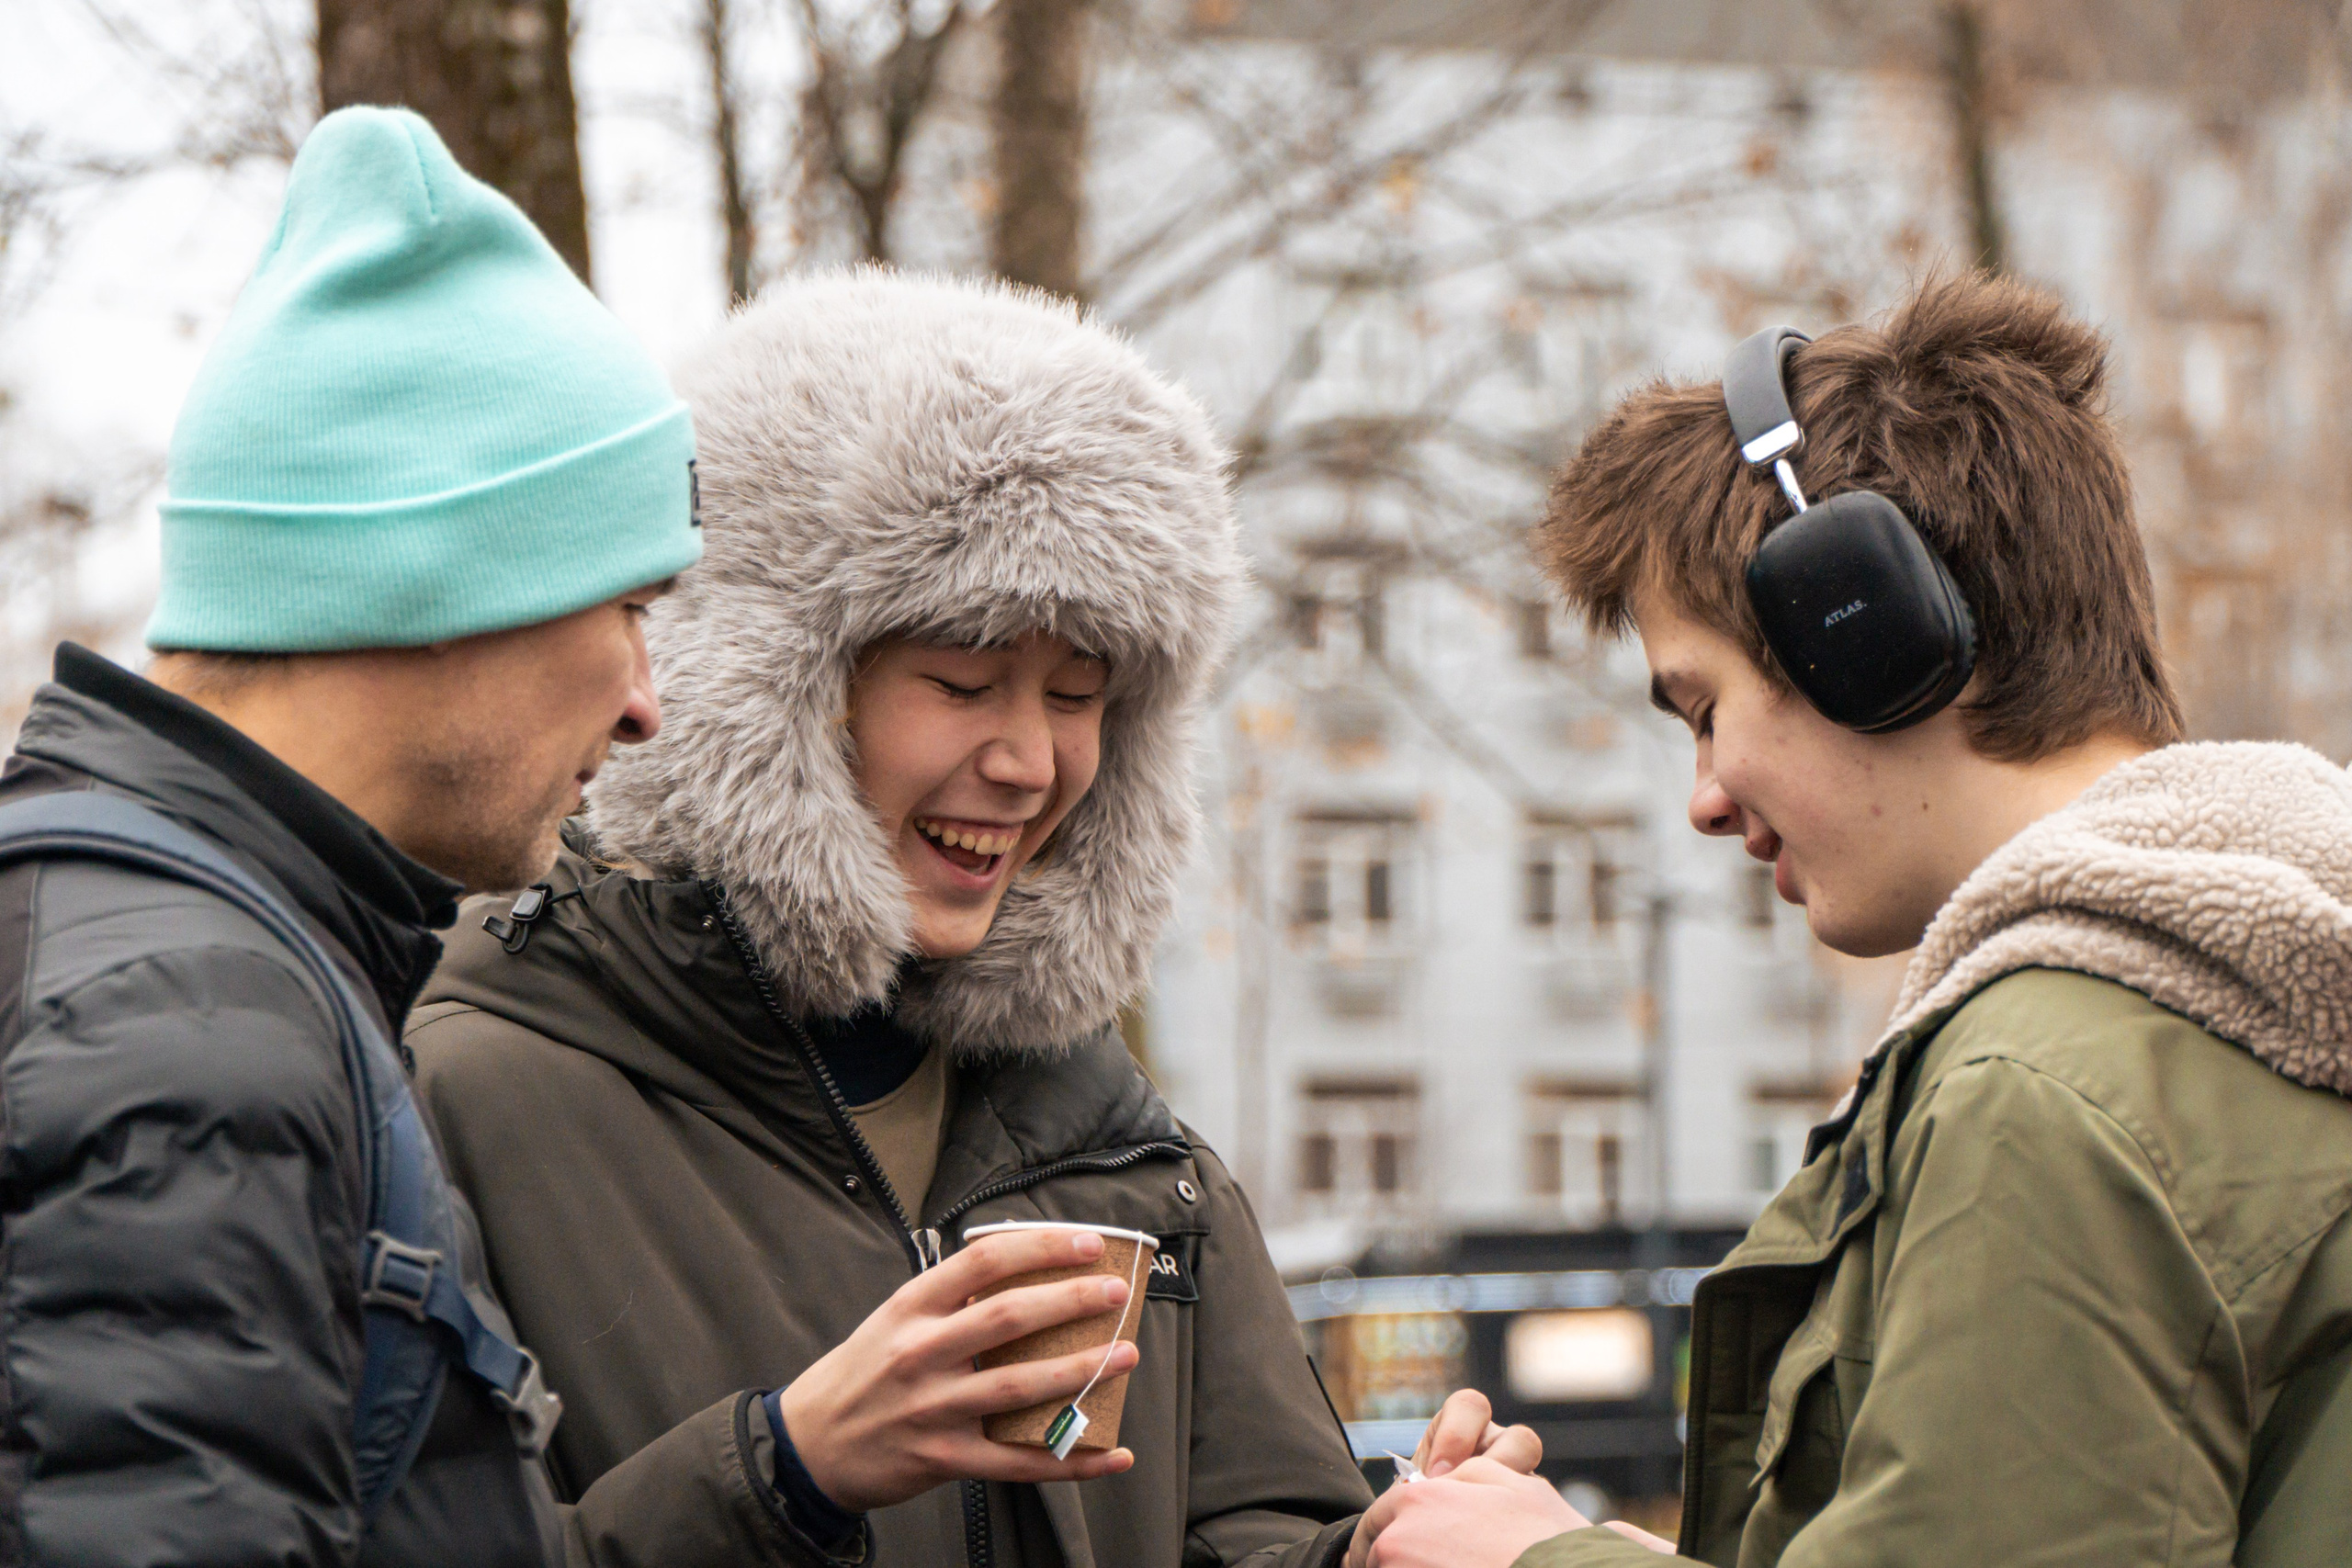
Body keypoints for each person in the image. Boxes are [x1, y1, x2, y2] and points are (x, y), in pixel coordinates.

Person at [403, 268, 1532, 1568]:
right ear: (763, 689)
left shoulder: (1123, 1150)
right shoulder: (459, 1101)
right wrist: (785, 1473)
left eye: (1079, 694)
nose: (1030, 763)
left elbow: (1253, 1532)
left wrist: (1386, 1551)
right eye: (962, 680)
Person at [1348, 274, 2352, 1568]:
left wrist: (1530, 1562)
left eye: (1704, 709)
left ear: (1864, 630)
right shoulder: (2249, 1014)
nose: (1704, 801)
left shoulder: (2044, 1094)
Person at [0, 107, 707, 1563]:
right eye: (631, 606)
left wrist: (781, 1474)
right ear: (439, 575)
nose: (647, 704)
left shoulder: (168, 946)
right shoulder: (191, 1035)